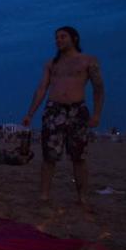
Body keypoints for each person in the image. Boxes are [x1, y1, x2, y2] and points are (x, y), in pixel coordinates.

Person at [21, 26, 105, 211]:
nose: (58, 40)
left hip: (77, 110)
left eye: (62, 37)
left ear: (74, 38)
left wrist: (97, 114)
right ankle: (44, 194)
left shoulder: (88, 61)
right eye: (56, 37)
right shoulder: (52, 64)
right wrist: (30, 113)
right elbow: (42, 88)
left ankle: (82, 197)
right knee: (49, 155)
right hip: (54, 110)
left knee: (79, 156)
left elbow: (98, 88)